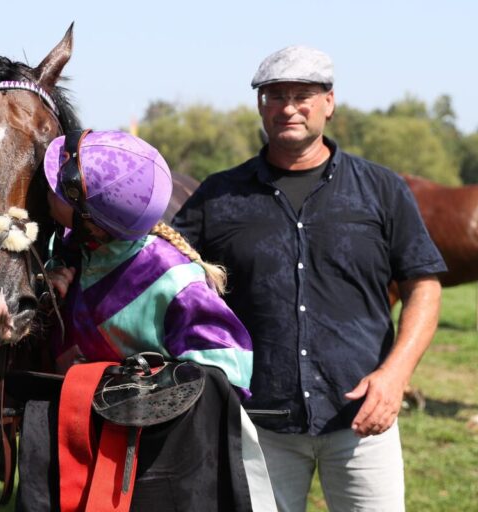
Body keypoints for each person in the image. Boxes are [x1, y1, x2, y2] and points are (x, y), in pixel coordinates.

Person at [172, 45, 446, 512]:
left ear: (329, 103)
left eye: (303, 94)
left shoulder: (381, 189)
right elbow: (162, 269)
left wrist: (395, 376)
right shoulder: (219, 195)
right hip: (259, 425)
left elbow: (424, 284)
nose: (289, 107)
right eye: (275, 96)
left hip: (362, 417)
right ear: (261, 106)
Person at [23, 129, 276, 511]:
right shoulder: (74, 247)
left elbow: (229, 367)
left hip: (150, 462)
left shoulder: (170, 275)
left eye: (58, 186)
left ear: (92, 220)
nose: (47, 185)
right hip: (78, 443)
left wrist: (119, 382)